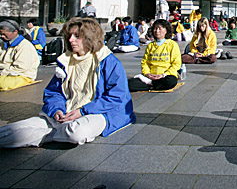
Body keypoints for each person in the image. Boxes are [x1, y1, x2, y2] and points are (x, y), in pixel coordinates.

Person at [0, 18, 135, 147]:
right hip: (66, 112)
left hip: (100, 113)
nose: (71, 40)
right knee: (5, 133)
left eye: (77, 36)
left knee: (77, 133)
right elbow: (53, 92)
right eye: (69, 36)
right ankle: (58, 133)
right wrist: (56, 110)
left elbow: (117, 96)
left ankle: (50, 134)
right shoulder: (66, 61)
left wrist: (82, 111)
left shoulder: (108, 61)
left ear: (89, 37)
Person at [128, 19, 182, 91]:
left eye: (160, 29)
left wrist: (163, 75)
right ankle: (153, 84)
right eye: (155, 28)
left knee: (171, 81)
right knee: (130, 83)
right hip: (150, 75)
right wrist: (147, 73)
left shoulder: (172, 44)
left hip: (165, 75)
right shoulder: (150, 45)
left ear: (166, 30)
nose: (157, 31)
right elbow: (145, 62)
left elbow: (176, 64)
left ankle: (150, 83)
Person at [0, 20, 40, 91]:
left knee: (2, 83)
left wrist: (2, 72)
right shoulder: (3, 44)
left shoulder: (24, 45)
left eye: (4, 34)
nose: (2, 36)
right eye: (1, 34)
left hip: (21, 75)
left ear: (15, 32)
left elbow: (21, 68)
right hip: (5, 72)